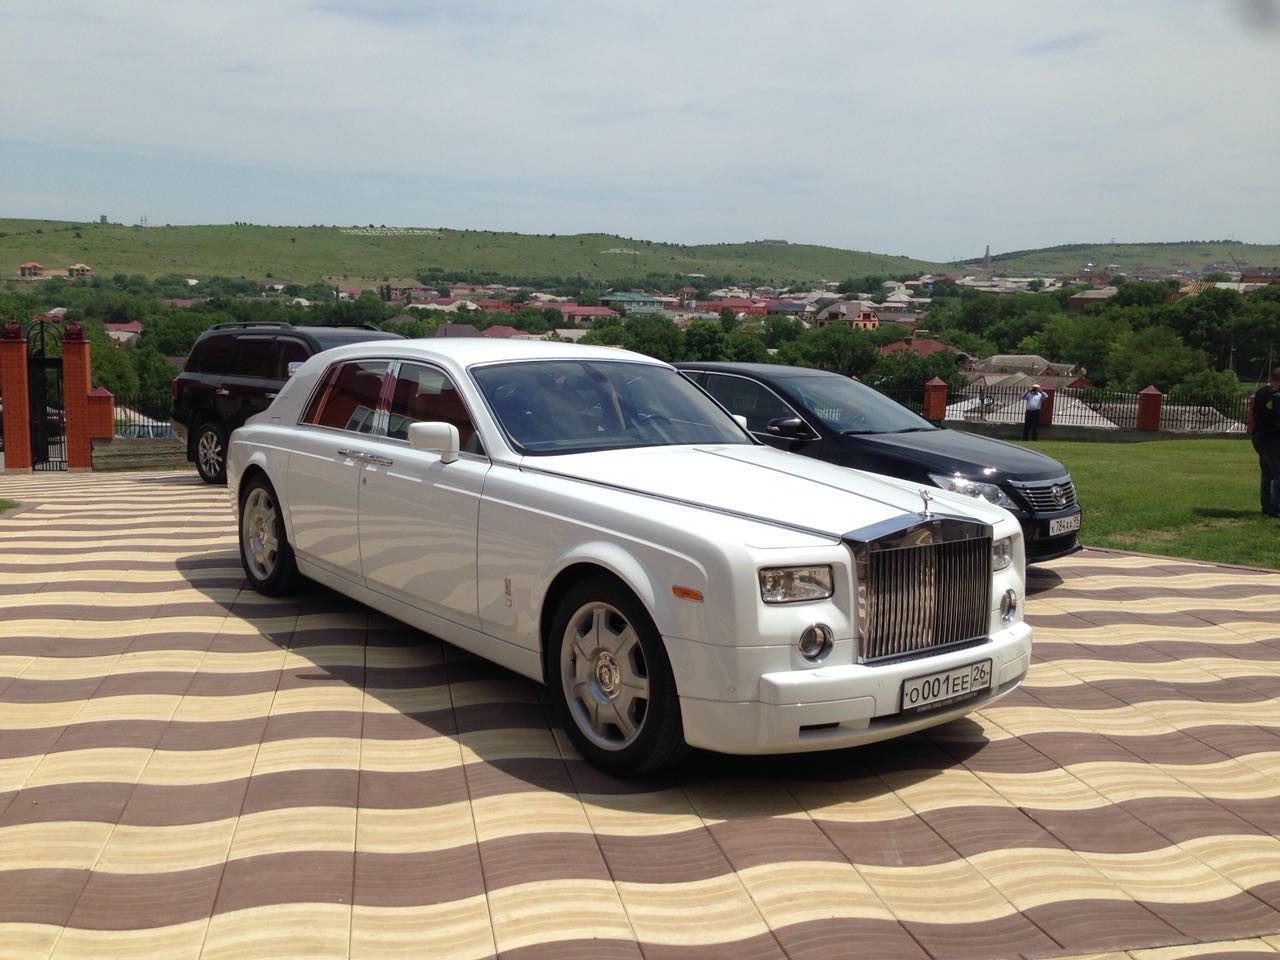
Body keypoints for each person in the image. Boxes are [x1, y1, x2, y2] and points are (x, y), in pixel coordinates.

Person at [1251, 366, 1280, 517]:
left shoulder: (1261, 392)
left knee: (1267, 474)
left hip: (1260, 437)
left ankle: (1267, 506)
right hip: (1273, 439)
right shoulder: (1276, 396)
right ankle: (1275, 509)